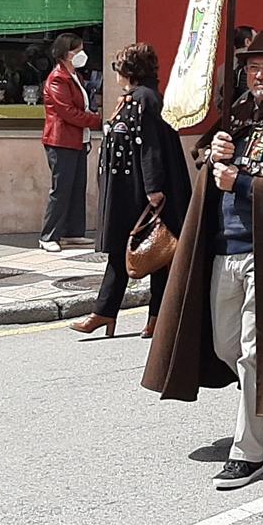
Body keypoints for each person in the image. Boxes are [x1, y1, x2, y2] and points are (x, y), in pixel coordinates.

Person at [144, 31, 263, 491]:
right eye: (253, 66)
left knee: (253, 354)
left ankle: (246, 453)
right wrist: (214, 154)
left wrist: (245, 185)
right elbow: (203, 159)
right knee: (225, 346)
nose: (259, 74)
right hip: (223, 248)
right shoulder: (238, 115)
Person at [72, 43, 192, 337]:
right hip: (129, 189)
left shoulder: (144, 99)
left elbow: (150, 145)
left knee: (158, 249)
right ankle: (108, 313)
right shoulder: (139, 98)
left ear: (128, 70)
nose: (114, 74)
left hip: (140, 191)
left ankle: (145, 317)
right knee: (124, 250)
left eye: (117, 68)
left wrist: (153, 188)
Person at [39, 32, 100, 250]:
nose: (82, 54)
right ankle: (49, 236)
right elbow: (68, 112)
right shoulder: (57, 78)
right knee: (61, 188)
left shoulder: (75, 76)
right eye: (77, 50)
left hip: (77, 140)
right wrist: (96, 120)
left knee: (76, 186)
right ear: (66, 54)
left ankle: (73, 231)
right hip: (61, 141)